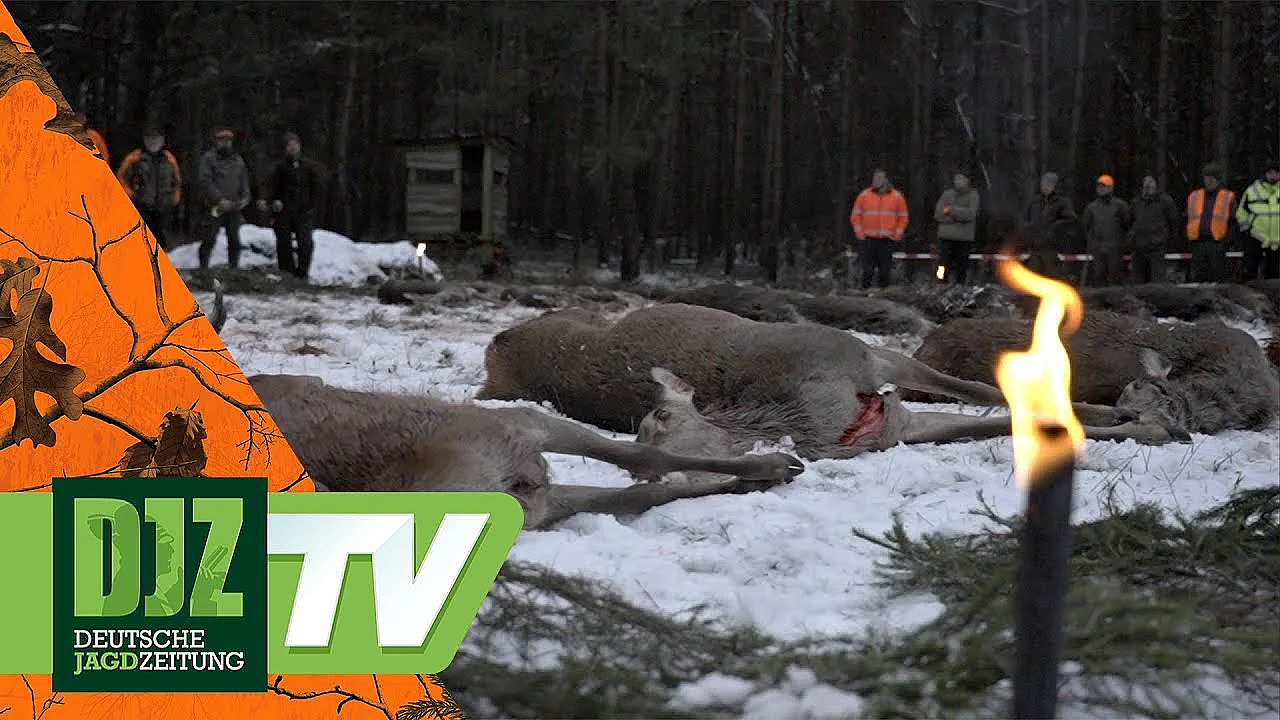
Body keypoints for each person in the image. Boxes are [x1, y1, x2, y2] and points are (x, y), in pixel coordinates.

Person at [258, 131, 326, 282]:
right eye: (290, 146)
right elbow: (269, 187)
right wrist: (268, 201)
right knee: (283, 243)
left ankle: (302, 274)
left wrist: (312, 207)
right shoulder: (279, 168)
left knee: (305, 242)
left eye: (295, 145)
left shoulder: (309, 168)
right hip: (283, 212)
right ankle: (287, 273)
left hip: (304, 211)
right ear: (285, 148)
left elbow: (317, 189)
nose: (293, 149)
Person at [116, 125, 183, 250]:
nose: (153, 142)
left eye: (156, 139)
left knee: (161, 242)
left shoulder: (169, 158)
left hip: (163, 208)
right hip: (141, 206)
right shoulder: (135, 158)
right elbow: (121, 178)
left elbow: (177, 181)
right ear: (145, 140)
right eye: (150, 138)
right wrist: (131, 196)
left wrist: (174, 199)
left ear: (162, 140)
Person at [196, 127, 252, 270]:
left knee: (234, 239)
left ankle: (234, 268)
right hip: (215, 207)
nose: (225, 144)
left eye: (228, 141)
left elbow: (244, 181)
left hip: (234, 207)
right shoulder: (209, 159)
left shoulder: (238, 160)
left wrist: (245, 198)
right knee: (209, 238)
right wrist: (219, 200)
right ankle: (203, 268)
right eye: (222, 141)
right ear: (216, 142)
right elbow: (205, 182)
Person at [849, 168, 909, 289]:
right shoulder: (864, 195)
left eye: (879, 178)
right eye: (875, 178)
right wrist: (860, 234)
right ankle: (864, 296)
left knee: (885, 272)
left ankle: (884, 296)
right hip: (868, 239)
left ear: (886, 180)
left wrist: (896, 235)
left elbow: (903, 218)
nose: (876, 180)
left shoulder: (897, 197)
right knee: (867, 271)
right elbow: (855, 216)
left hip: (887, 240)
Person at [1185, 163, 1237, 283]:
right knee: (1197, 277)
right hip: (1198, 243)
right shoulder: (1194, 196)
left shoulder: (1227, 197)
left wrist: (1227, 242)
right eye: (1206, 178)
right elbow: (1187, 219)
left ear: (1218, 180)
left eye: (1211, 178)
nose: (1208, 181)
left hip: (1217, 243)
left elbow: (1233, 222)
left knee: (1217, 277)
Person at [1021, 171, 1077, 280]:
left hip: (1051, 248)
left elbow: (1071, 220)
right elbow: (1024, 218)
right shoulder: (1035, 201)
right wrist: (1028, 229)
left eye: (1049, 184)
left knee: (1052, 277)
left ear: (1055, 186)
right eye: (1043, 184)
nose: (1045, 186)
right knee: (1033, 277)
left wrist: (1055, 228)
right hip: (1034, 247)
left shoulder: (1062, 202)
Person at [1126, 175, 1181, 284]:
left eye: (1150, 182)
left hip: (1157, 248)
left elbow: (1174, 222)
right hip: (1138, 248)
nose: (1148, 185)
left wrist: (1166, 240)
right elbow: (1130, 222)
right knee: (1138, 281)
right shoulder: (1136, 202)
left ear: (1156, 185)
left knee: (1157, 281)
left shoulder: (1165, 201)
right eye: (1145, 182)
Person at [1081, 174, 1133, 286]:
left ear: (1111, 188)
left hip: (1115, 249)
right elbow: (1086, 226)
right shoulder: (1091, 207)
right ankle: (1100, 302)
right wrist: (1092, 242)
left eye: (1104, 186)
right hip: (1098, 249)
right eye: (1099, 186)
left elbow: (1128, 224)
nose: (1101, 188)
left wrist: (1123, 243)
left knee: (1114, 277)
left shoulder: (1120, 206)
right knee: (1098, 277)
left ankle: (1115, 302)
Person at [932, 170, 981, 284]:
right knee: (942, 265)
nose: (957, 182)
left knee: (962, 266)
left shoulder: (973, 195)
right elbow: (938, 214)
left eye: (960, 179)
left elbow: (970, 214)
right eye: (956, 179)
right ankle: (939, 283)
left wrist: (951, 210)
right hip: (946, 237)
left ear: (967, 181)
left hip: (964, 239)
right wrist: (957, 217)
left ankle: (961, 287)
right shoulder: (946, 194)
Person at [1236, 161, 1280, 281]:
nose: (1273, 175)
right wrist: (1246, 229)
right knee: (1250, 272)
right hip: (1256, 236)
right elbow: (1241, 211)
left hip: (1277, 240)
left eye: (1276, 173)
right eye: (1270, 172)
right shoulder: (1252, 190)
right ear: (1265, 174)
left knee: (1275, 276)